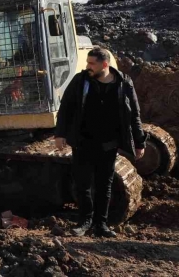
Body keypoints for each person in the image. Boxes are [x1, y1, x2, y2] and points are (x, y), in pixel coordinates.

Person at [55, 47, 147, 238]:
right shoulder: (81, 81)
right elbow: (66, 107)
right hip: (83, 141)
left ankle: (101, 225)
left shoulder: (124, 83)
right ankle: (84, 222)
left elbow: (134, 115)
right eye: (87, 62)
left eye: (92, 63)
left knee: (104, 185)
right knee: (83, 184)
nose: (88, 66)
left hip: (109, 144)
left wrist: (139, 142)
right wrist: (61, 133)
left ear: (104, 64)